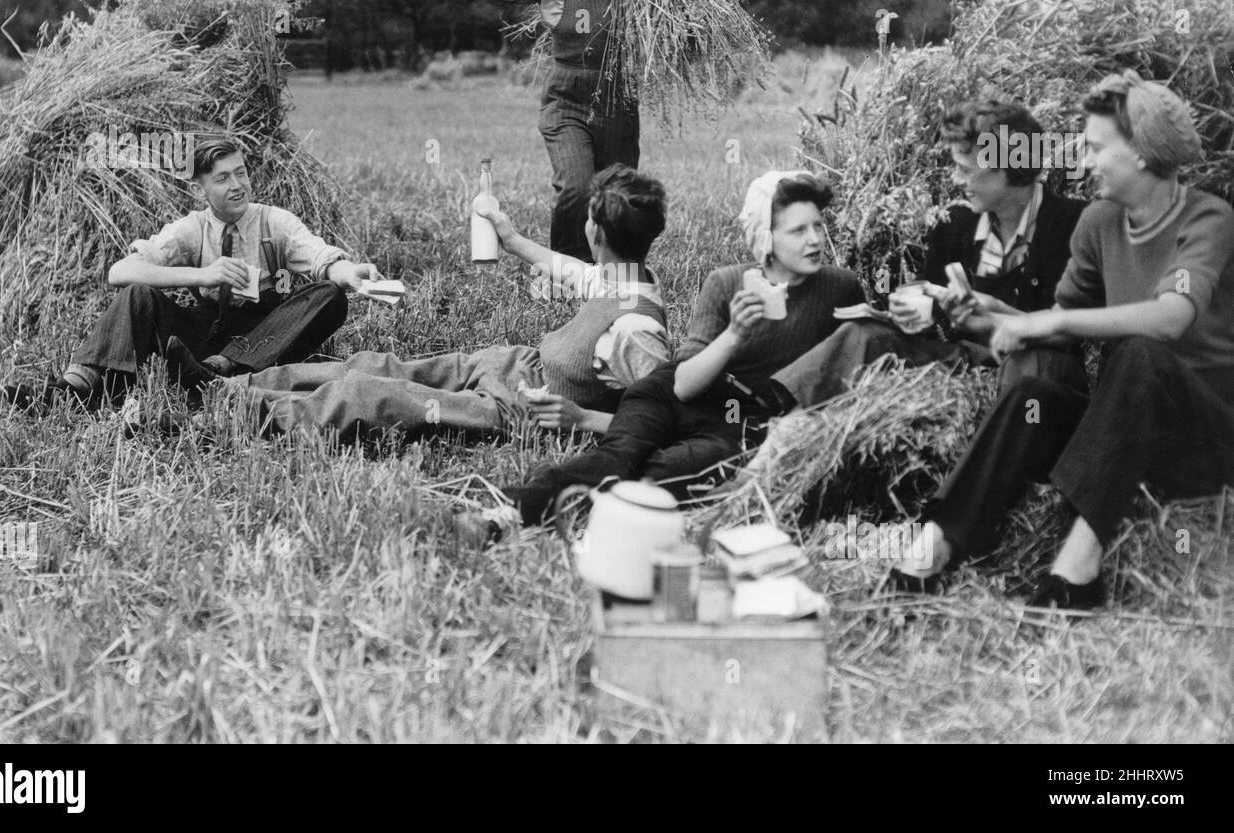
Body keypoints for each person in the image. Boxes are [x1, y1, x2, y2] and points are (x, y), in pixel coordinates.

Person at [887, 71, 1234, 611]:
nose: (1084, 160)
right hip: (1130, 431)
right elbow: (1059, 319)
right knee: (1037, 393)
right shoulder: (1098, 223)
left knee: (1142, 352)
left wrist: (1044, 324)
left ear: (1141, 153)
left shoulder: (1208, 218)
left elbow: (1171, 318)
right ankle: (936, 544)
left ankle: (1077, 568)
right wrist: (986, 313)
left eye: (1096, 148)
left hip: (1205, 439)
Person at [474, 172, 865, 537]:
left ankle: (576, 499)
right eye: (798, 230)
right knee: (620, 456)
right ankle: (505, 516)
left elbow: (849, 370)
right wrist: (734, 336)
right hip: (679, 391)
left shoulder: (840, 288)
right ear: (765, 237)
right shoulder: (726, 284)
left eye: (818, 226)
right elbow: (682, 384)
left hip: (742, 424)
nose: (814, 240)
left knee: (660, 474)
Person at [228, 165, 671, 443]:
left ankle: (241, 411)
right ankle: (232, 386)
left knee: (374, 395)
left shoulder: (636, 332)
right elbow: (569, 269)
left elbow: (663, 418)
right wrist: (512, 239)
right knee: (378, 366)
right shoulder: (624, 276)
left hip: (518, 410)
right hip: (515, 365)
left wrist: (580, 418)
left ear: (596, 234)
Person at [3, 135, 380, 412]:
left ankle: (216, 373)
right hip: (203, 333)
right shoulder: (191, 228)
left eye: (241, 173)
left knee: (329, 295)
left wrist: (351, 272)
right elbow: (121, 271)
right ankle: (74, 389)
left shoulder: (274, 221)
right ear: (202, 188)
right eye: (222, 179)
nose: (237, 186)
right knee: (136, 294)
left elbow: (321, 257)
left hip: (263, 335)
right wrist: (201, 276)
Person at [760, 99, 1087, 415]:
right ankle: (783, 429)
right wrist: (915, 311)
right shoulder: (956, 223)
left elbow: (1074, 331)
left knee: (1032, 367)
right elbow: (933, 304)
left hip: (1034, 371)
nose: (956, 180)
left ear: (1007, 169)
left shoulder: (1074, 225)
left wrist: (991, 318)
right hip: (968, 365)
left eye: (965, 169)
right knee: (863, 335)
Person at [439, 0, 687, 260]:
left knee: (619, 195)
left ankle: (615, 271)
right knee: (575, 188)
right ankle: (565, 271)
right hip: (566, 99)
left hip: (617, 100)